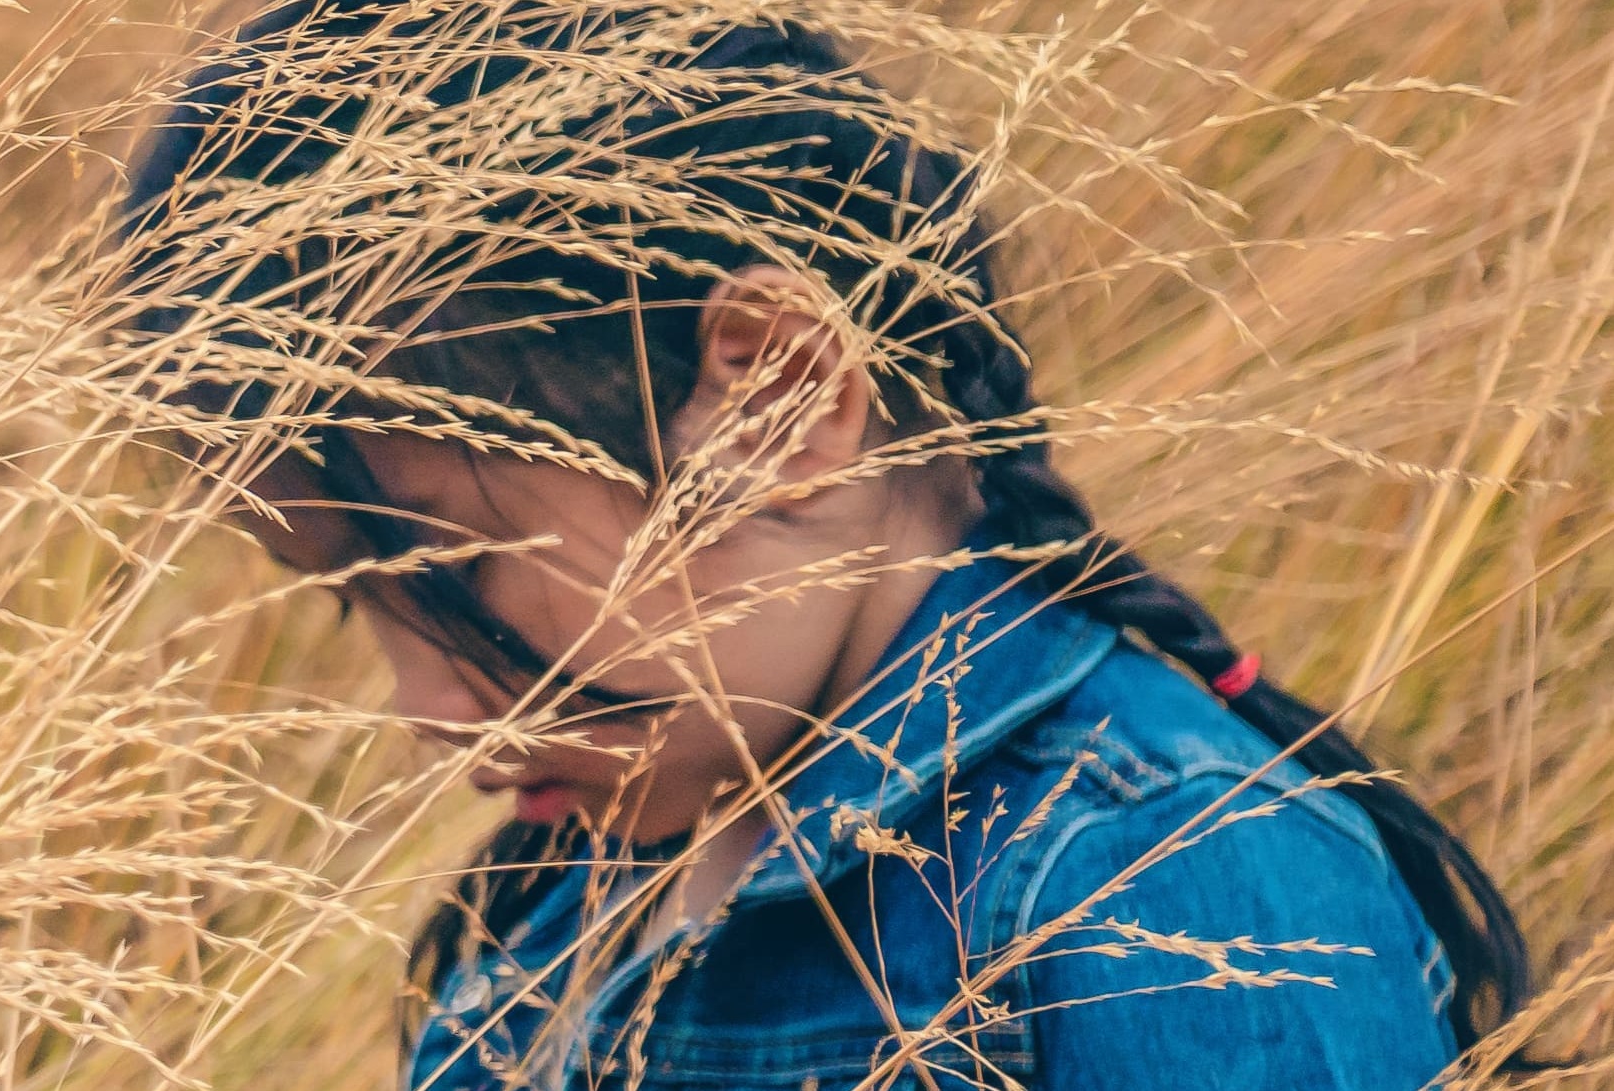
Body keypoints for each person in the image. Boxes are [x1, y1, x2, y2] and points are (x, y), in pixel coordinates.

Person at [103, 2, 1536, 1086]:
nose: (434, 715)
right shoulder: (556, 917)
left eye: (452, 578)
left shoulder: (1167, 887)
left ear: (779, 394)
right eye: (363, 613)